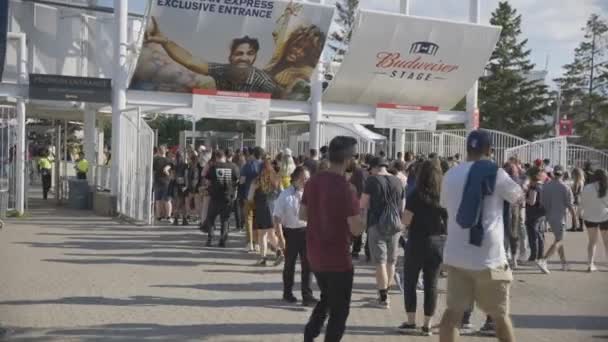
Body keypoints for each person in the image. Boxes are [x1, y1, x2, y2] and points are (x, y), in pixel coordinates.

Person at [439, 130, 523, 342]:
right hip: (490, 258)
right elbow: (518, 197)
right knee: (500, 316)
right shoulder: (496, 173)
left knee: (452, 314)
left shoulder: (450, 174)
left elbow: (444, 205)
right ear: (489, 150)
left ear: (467, 149)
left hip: (457, 255)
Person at [301, 136, 364, 342]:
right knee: (339, 311)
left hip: (315, 254)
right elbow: (355, 229)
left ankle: (310, 334)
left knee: (327, 298)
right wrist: (362, 216)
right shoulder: (347, 188)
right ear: (348, 159)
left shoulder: (313, 181)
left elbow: (302, 215)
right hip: (338, 257)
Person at [144, 17, 280, 96]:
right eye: (239, 53)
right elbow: (190, 61)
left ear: (255, 57)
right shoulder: (222, 70)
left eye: (250, 53)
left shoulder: (263, 82)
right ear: (231, 57)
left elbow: (280, 98)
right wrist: (165, 42)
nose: (244, 58)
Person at [397, 159, 447, 336]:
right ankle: (427, 324)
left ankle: (411, 322)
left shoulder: (415, 195)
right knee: (431, 284)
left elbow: (405, 221)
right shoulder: (443, 196)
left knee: (410, 282)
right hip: (436, 243)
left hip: (416, 242)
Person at [360, 156, 405, 308]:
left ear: (373, 167)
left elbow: (363, 203)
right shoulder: (398, 181)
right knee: (391, 261)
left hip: (376, 223)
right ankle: (386, 292)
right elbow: (402, 206)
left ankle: (383, 297)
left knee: (380, 261)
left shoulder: (372, 181)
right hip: (395, 225)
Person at [274, 166, 318, 305]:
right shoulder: (285, 195)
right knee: (289, 265)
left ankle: (307, 295)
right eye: (305, 179)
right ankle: (287, 293)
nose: (307, 181)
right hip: (291, 233)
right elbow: (277, 218)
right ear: (297, 178)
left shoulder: (311, 194)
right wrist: (280, 239)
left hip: (306, 232)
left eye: (308, 179)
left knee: (308, 265)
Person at [535, 165, 577, 274]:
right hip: (560, 217)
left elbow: (542, 203)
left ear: (553, 173)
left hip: (549, 217)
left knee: (558, 239)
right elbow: (570, 205)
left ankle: (564, 263)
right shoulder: (565, 187)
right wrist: (574, 219)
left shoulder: (546, 186)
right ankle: (543, 260)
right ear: (563, 174)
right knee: (560, 240)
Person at [200, 150, 239, 247]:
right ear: (224, 157)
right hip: (227, 198)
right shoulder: (233, 166)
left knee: (211, 218)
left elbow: (207, 180)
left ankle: (210, 238)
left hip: (215, 197)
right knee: (225, 220)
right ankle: (223, 240)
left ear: (217, 157)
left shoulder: (213, 167)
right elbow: (237, 180)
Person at [250, 158, 283, 265]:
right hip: (273, 207)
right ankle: (279, 251)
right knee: (271, 233)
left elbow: (250, 197)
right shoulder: (277, 178)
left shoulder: (257, 180)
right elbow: (281, 194)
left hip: (261, 207)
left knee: (262, 234)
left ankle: (263, 258)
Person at [580, 169, 608, 272]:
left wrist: (580, 213)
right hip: (605, 217)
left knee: (592, 242)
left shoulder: (587, 187)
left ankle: (590, 264)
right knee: (607, 242)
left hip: (590, 217)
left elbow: (582, 202)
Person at [240, 147, 264, 252]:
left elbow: (241, 181)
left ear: (253, 154)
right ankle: (258, 243)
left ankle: (249, 243)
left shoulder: (247, 165)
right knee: (258, 219)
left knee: (248, 219)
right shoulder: (265, 166)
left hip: (248, 195)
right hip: (261, 196)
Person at [525, 166, 546, 263]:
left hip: (533, 213)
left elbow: (532, 201)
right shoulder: (543, 185)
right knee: (540, 234)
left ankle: (534, 256)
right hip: (541, 213)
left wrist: (523, 198)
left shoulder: (534, 187)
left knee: (533, 235)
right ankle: (540, 255)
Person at [153, 145, 173, 222]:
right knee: (167, 200)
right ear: (165, 151)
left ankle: (158, 217)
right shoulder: (168, 160)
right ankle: (168, 216)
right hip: (166, 182)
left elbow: (153, 170)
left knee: (158, 200)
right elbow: (168, 170)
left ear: (158, 151)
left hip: (157, 181)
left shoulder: (155, 160)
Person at [172, 151, 189, 226]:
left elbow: (173, 177)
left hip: (176, 185)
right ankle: (184, 220)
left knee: (177, 203)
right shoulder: (185, 165)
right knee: (183, 204)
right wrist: (186, 185)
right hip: (183, 186)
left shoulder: (174, 166)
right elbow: (186, 176)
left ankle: (176, 219)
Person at [568, 168, 585, 232]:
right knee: (580, 213)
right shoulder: (581, 181)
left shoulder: (577, 182)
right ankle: (581, 227)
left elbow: (575, 191)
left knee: (574, 213)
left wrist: (571, 190)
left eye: (573, 174)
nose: (572, 175)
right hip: (580, 198)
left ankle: (574, 227)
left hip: (576, 199)